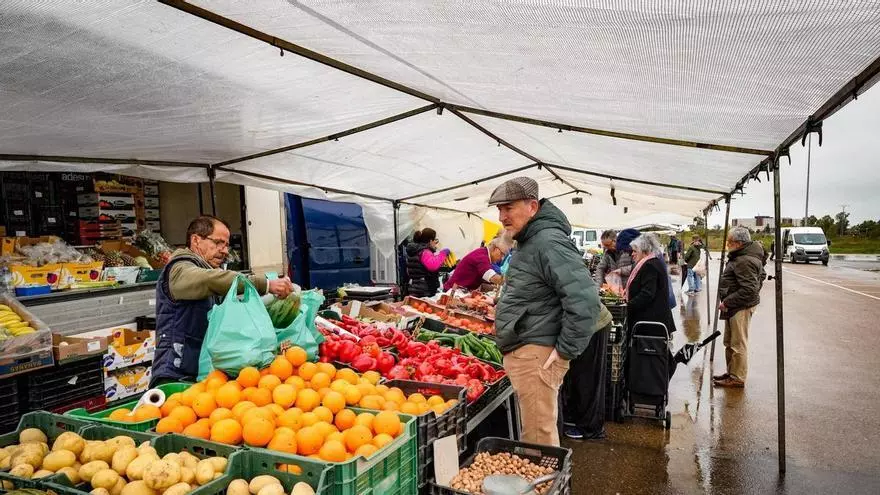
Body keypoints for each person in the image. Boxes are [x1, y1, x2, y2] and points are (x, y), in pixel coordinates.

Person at [491, 177, 601, 447]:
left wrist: (565, 350)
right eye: (499, 210)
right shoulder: (530, 240)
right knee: (534, 435)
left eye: (508, 208)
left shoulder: (548, 241)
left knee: (539, 442)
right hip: (528, 350)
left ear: (532, 206)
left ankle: (544, 486)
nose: (502, 216)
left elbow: (585, 301)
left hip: (537, 355)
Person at [152, 216, 293, 386]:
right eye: (218, 243)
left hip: (201, 373)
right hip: (174, 373)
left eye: (226, 245)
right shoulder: (180, 268)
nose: (225, 250)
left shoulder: (208, 269)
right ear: (196, 240)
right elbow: (210, 280)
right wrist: (266, 284)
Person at [715, 227, 767, 388]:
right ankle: (732, 372)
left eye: (729, 242)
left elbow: (749, 289)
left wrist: (727, 301)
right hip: (736, 306)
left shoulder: (744, 260)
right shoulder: (743, 256)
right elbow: (761, 276)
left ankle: (737, 377)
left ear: (738, 243)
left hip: (740, 307)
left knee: (738, 343)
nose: (728, 245)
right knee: (730, 341)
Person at [560, 304, 613, 440]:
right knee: (580, 375)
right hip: (585, 323)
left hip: (590, 325)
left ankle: (589, 428)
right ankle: (583, 421)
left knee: (587, 377)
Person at [443, 234, 512, 291]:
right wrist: (512, 282)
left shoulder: (483, 253)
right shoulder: (482, 257)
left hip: (459, 290)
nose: (502, 258)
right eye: (502, 254)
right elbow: (492, 277)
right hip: (453, 291)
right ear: (496, 249)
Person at [405, 228, 450, 297]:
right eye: (435, 240)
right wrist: (443, 254)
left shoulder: (415, 251)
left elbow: (409, 271)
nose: (435, 243)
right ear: (430, 241)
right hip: (425, 289)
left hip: (415, 286)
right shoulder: (425, 252)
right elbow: (433, 266)